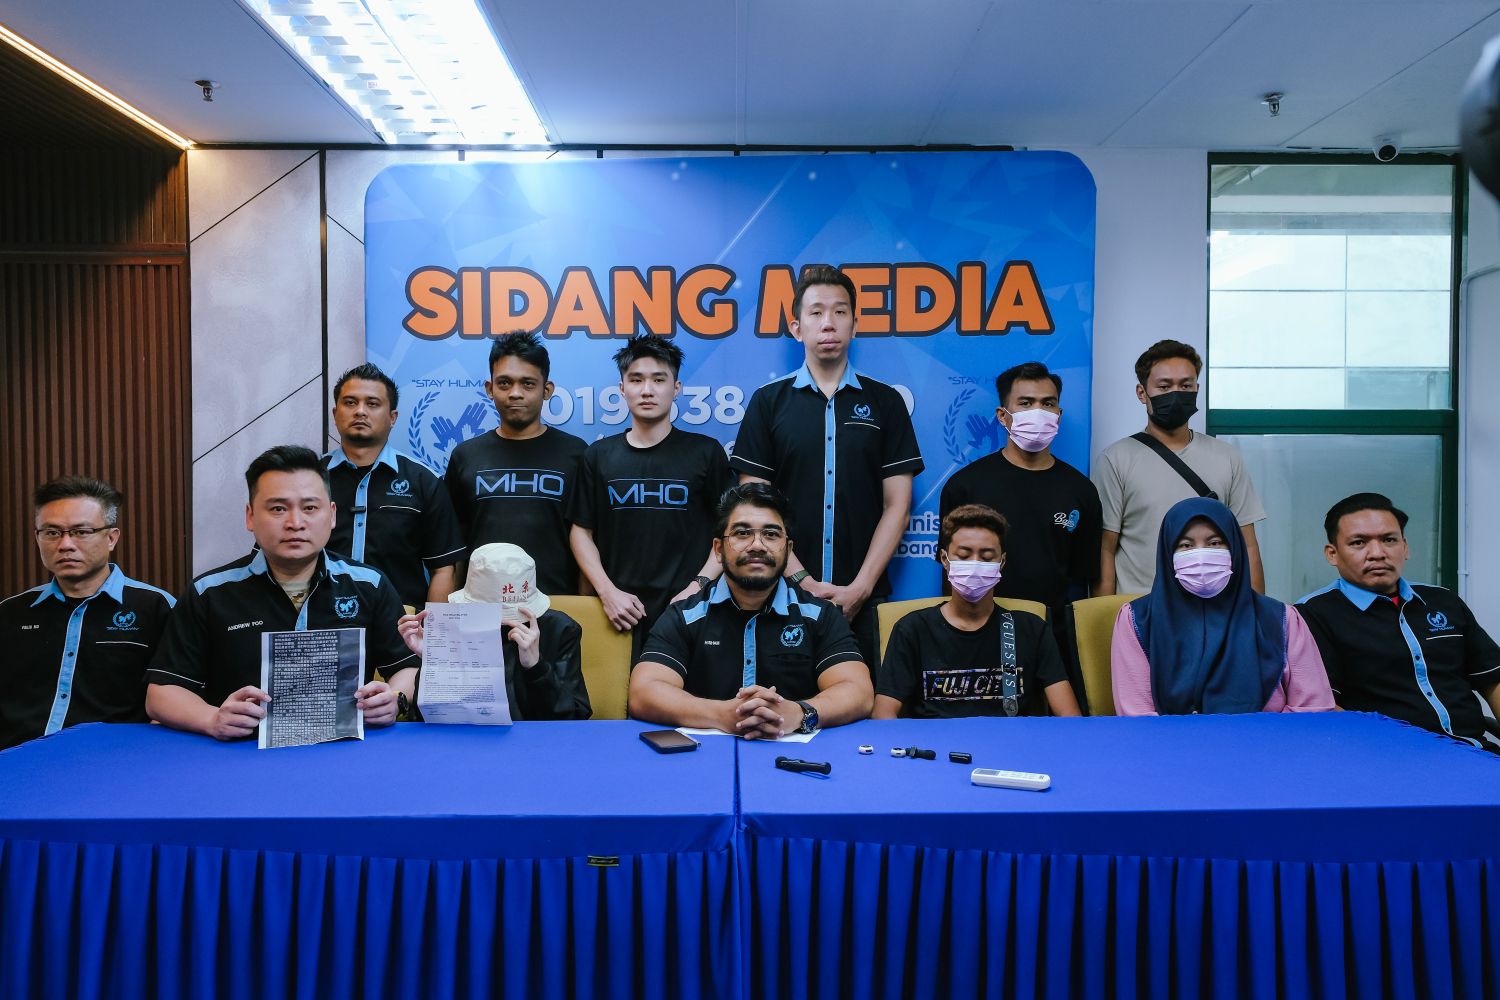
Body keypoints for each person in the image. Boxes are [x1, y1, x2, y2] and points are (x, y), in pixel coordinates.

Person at [145, 445, 417, 739]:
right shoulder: (209, 593)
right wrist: (211, 719)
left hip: (344, 750)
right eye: (278, 509)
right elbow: (162, 693)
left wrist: (395, 698)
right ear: (250, 516)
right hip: (240, 751)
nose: (295, 523)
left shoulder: (369, 585)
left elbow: (407, 667)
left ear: (332, 515)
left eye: (310, 508)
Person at [730, 264, 923, 669]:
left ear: (855, 324)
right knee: (778, 702)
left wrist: (860, 588)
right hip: (780, 594)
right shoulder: (768, 402)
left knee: (864, 701)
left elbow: (898, 506)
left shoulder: (885, 402)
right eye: (816, 312)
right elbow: (753, 509)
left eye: (839, 311)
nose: (828, 323)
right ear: (797, 328)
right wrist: (803, 582)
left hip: (866, 599)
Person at [628, 483, 873, 737]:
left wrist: (799, 714)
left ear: (788, 550)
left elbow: (858, 691)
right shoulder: (685, 615)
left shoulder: (819, 615)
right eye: (743, 533)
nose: (757, 545)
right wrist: (720, 715)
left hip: (796, 758)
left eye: (771, 534)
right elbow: (643, 692)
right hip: (706, 757)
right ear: (718, 550)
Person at [569, 334, 733, 659]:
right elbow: (581, 531)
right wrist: (607, 593)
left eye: (659, 380)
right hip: (617, 614)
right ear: (622, 388)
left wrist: (696, 590)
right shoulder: (598, 456)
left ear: (676, 387)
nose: (647, 390)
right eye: (636, 380)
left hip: (690, 613)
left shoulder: (706, 453)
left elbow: (730, 532)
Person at [1298, 493, 1500, 748]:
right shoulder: (1312, 614)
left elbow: (1492, 678)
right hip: (1387, 756)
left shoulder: (1443, 601)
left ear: (1405, 547)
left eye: (1389, 540)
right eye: (1359, 542)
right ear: (1332, 554)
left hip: (1476, 751)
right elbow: (1325, 707)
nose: (1377, 553)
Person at [1112, 497, 1332, 716]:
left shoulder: (1281, 619)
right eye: (1186, 545)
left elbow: (1313, 710)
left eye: (1215, 543)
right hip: (1171, 739)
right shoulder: (1138, 620)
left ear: (1235, 548)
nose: (1201, 555)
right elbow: (1137, 716)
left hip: (1265, 738)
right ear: (1167, 553)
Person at [0, 476, 175, 750]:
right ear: (37, 537)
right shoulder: (11, 613)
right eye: (52, 532)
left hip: (110, 762)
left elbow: (177, 700)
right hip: (15, 760)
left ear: (111, 538)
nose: (65, 544)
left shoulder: (157, 607)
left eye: (81, 532)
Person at [1093, 340, 1266, 595]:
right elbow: (1105, 549)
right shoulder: (1115, 459)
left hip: (1215, 606)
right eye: (1164, 386)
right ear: (1142, 392)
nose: (1176, 394)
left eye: (1186, 385)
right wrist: (1107, 614)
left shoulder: (1227, 457)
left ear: (1197, 388)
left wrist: (1255, 611)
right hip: (1144, 608)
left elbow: (1247, 544)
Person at [875, 504, 1080, 719]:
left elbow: (1069, 716)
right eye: (964, 555)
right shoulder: (912, 629)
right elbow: (883, 714)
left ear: (1001, 562)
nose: (975, 565)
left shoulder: (1031, 629)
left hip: (1011, 739)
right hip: (936, 740)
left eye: (987, 557)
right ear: (945, 559)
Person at [939, 361, 1102, 623]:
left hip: (1053, 632)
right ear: (1003, 415)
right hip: (982, 629)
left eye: (1048, 403)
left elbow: (1087, 576)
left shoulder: (1081, 490)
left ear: (1058, 415)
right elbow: (950, 573)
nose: (1038, 412)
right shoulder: (965, 485)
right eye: (1026, 403)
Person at [445, 330, 587, 597]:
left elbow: (588, 539)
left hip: (556, 604)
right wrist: (450, 611)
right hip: (481, 607)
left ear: (547, 390)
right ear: (490, 389)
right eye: (504, 383)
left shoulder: (577, 453)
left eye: (528, 384)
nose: (515, 393)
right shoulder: (465, 456)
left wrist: (582, 609)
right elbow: (453, 546)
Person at [396, 543, 591, 720]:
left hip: (536, 741)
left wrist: (536, 667)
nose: (501, 623)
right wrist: (434, 662)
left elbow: (575, 718)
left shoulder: (561, 630)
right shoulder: (454, 626)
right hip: (467, 739)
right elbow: (425, 717)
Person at [324, 363, 465, 608]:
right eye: (350, 402)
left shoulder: (424, 481)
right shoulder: (307, 478)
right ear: (335, 414)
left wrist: (431, 629)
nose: (360, 411)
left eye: (372, 403)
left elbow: (443, 569)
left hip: (401, 623)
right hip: (321, 622)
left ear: (392, 417)